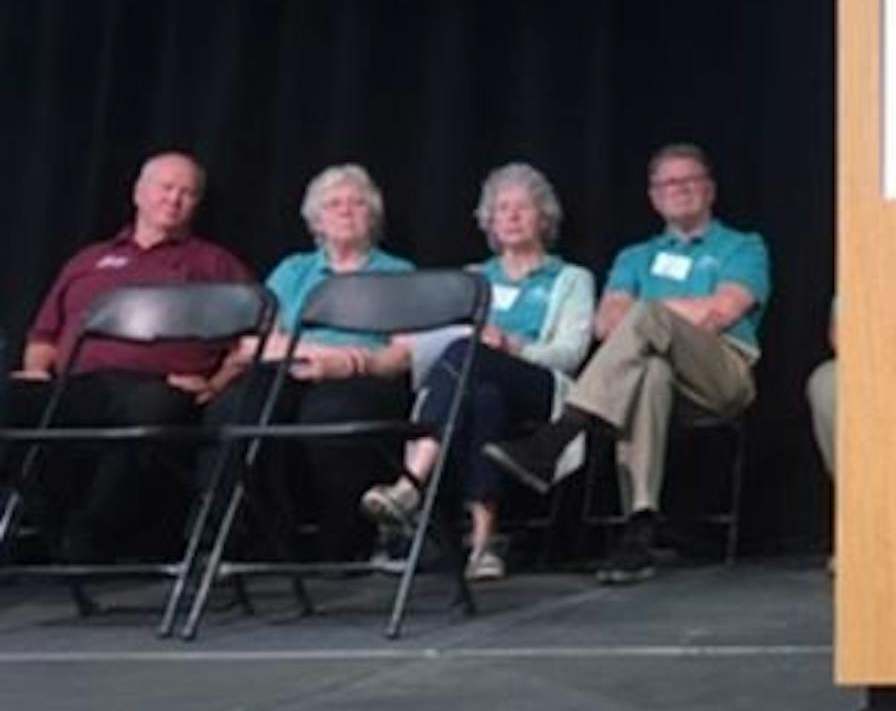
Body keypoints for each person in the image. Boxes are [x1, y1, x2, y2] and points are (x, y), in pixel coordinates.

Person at [485, 143, 767, 585]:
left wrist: (654, 311)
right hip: (651, 381)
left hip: (720, 372)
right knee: (650, 373)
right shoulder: (636, 257)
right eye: (667, 183)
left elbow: (722, 311)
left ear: (710, 190)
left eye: (689, 180)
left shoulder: (742, 246)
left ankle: (562, 433)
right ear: (653, 197)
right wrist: (672, 312)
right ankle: (640, 527)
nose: (678, 189)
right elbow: (605, 324)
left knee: (647, 316)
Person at [5, 152, 253, 561]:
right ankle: (46, 523)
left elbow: (250, 344)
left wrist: (215, 383)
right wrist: (36, 370)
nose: (174, 199)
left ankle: (89, 536)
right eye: (166, 188)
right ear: (139, 193)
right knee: (11, 402)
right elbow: (44, 336)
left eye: (187, 193)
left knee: (149, 411)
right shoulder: (87, 261)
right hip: (78, 385)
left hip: (160, 387)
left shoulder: (214, 263)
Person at [359, 163, 595, 580]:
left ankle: (411, 484)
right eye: (502, 208)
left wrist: (511, 346)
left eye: (523, 207)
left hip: (540, 386)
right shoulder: (471, 278)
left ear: (544, 217)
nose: (511, 216)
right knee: (484, 395)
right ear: (489, 221)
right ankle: (484, 542)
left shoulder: (572, 278)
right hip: (474, 386)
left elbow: (570, 354)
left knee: (465, 351)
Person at [205, 164, 416, 561]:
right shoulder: (293, 270)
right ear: (316, 220)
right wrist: (319, 354)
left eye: (357, 203)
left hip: (363, 374)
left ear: (373, 216)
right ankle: (255, 542)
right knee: (236, 410)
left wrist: (352, 365)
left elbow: (405, 354)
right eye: (333, 204)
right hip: (292, 368)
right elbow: (254, 343)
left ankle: (343, 543)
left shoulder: (398, 273)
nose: (346, 210)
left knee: (330, 416)